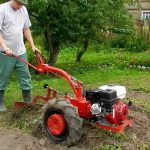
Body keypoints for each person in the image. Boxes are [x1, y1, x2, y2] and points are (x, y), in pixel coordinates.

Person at [0, 0, 40, 111]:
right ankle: (0, 103)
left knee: (26, 77)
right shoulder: (2, 9)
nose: (20, 6)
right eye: (19, 3)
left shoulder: (23, 9)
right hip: (5, 53)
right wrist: (5, 47)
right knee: (2, 78)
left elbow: (26, 28)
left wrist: (33, 45)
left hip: (20, 51)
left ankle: (28, 102)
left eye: (22, 4)